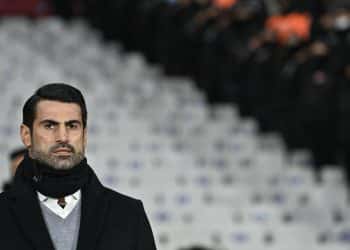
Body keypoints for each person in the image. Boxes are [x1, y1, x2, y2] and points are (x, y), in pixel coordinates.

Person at [0, 83, 157, 250]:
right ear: (26, 135)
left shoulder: (129, 215)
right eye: (50, 125)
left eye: (72, 126)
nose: (63, 137)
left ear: (84, 135)